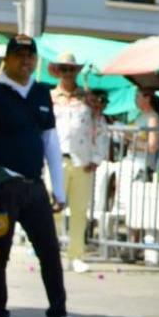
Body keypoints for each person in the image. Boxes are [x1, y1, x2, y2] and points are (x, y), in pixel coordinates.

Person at [0, 35, 86, 317]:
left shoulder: (41, 92)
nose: (26, 61)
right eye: (20, 55)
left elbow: (50, 142)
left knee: (50, 252)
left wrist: (58, 188)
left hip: (34, 186)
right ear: (7, 59)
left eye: (31, 56)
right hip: (3, 185)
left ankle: (59, 315)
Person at [49, 52, 107, 275]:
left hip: (82, 161)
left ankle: (76, 255)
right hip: (56, 160)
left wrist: (96, 157)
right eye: (64, 69)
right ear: (57, 71)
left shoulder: (88, 100)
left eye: (71, 69)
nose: (68, 73)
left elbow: (101, 129)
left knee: (80, 211)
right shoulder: (50, 98)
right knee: (54, 210)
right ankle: (53, 254)